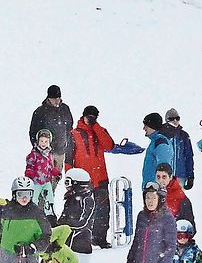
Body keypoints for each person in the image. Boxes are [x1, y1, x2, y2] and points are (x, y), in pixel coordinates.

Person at [68, 105, 130, 248]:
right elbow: (68, 158)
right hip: (82, 181)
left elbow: (109, 145)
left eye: (94, 117)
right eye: (89, 117)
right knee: (81, 211)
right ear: (83, 116)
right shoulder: (73, 134)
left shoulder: (99, 131)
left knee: (103, 211)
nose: (91, 119)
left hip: (100, 178)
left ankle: (99, 238)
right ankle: (81, 239)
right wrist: (70, 179)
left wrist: (96, 126)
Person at [29, 84, 75, 167]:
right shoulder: (40, 111)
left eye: (58, 98)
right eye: (54, 99)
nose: (56, 101)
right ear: (48, 98)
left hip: (60, 150)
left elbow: (70, 126)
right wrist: (36, 146)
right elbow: (33, 131)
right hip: (44, 152)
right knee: (44, 175)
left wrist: (67, 143)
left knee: (57, 176)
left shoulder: (65, 109)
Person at [58, 167, 97, 255]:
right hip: (67, 241)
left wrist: (65, 224)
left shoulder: (87, 200)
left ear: (77, 184)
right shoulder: (71, 198)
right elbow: (64, 216)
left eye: (68, 183)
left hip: (80, 244)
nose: (66, 186)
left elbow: (83, 223)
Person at [25, 130, 62, 212]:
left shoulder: (49, 155)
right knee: (34, 199)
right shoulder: (34, 154)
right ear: (38, 141)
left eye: (46, 141)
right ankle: (32, 213)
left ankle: (50, 214)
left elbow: (50, 168)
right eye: (41, 141)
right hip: (36, 181)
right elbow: (29, 165)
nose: (43, 143)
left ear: (49, 142)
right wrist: (29, 174)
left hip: (46, 182)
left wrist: (56, 173)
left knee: (49, 198)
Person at [142, 111, 177, 183]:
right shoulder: (156, 141)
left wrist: (158, 190)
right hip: (151, 189)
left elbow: (164, 170)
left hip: (156, 190)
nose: (144, 128)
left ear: (152, 126)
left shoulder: (161, 143)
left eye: (146, 125)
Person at [166, 108, 195, 189]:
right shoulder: (163, 135)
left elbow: (189, 156)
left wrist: (190, 176)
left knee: (178, 201)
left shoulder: (184, 136)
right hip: (164, 176)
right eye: (172, 119)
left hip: (180, 176)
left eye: (177, 118)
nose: (175, 121)